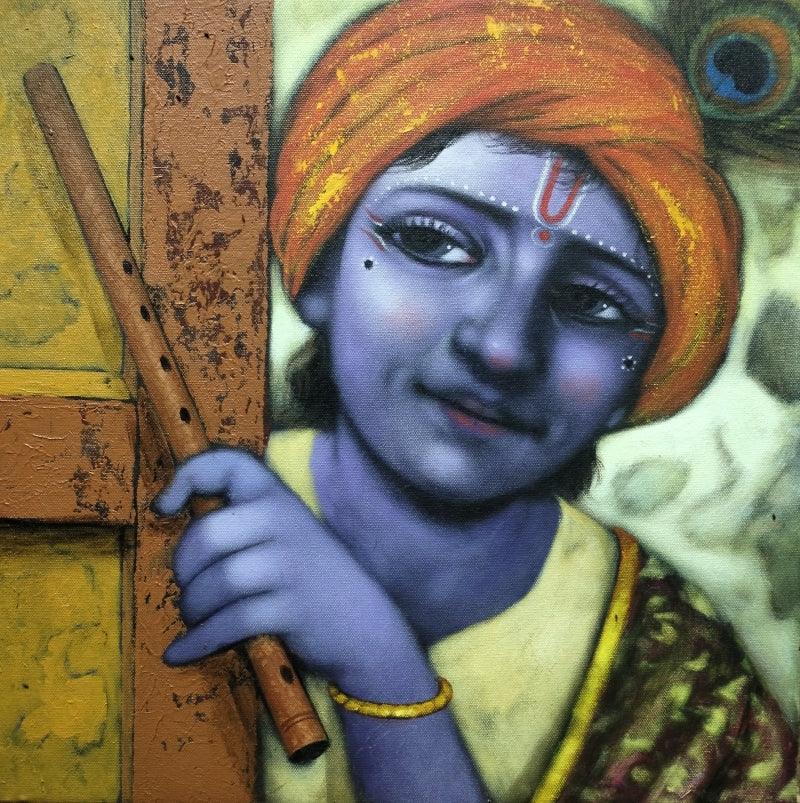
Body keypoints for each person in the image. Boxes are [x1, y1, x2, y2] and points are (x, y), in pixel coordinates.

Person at [155, 0, 798, 799]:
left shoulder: (690, 694)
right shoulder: (177, 533)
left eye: (593, 302)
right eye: (432, 242)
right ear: (318, 268)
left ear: (641, 377)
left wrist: (385, 672)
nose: (502, 346)